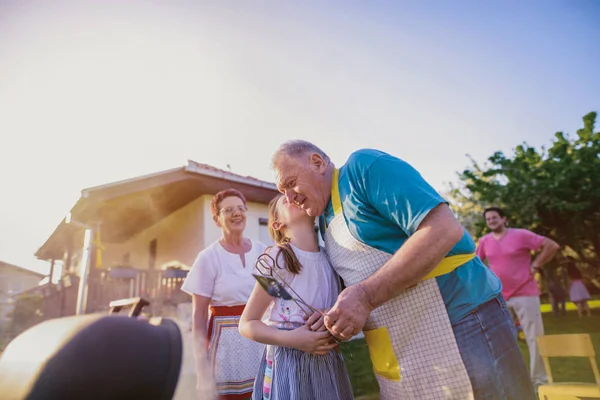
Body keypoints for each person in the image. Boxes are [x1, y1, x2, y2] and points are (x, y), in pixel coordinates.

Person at [270, 140, 535, 400]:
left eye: (290, 184)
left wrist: (361, 299)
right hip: (390, 353)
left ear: (317, 162)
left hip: (460, 319)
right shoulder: (305, 237)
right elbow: (263, 311)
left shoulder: (363, 168)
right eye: (282, 193)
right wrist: (326, 320)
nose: (289, 198)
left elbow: (444, 230)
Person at [239, 194, 354, 400]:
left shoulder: (332, 258)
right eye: (285, 200)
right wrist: (292, 339)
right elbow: (247, 323)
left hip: (326, 364)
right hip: (289, 365)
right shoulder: (277, 259)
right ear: (277, 224)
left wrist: (331, 317)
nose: (291, 196)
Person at [181, 189, 267, 400]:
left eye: (240, 208)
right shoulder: (207, 258)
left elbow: (276, 295)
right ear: (217, 219)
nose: (237, 213)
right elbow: (199, 317)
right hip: (225, 350)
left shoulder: (262, 251)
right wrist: (202, 370)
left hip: (260, 340)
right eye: (228, 210)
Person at [477, 206, 559, 389]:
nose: (491, 221)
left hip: (525, 293)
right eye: (488, 219)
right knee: (500, 340)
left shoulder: (521, 235)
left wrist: (536, 265)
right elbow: (475, 262)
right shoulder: (485, 241)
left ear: (504, 219)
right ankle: (509, 382)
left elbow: (551, 245)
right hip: (499, 296)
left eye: (494, 218)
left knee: (535, 338)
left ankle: (540, 381)